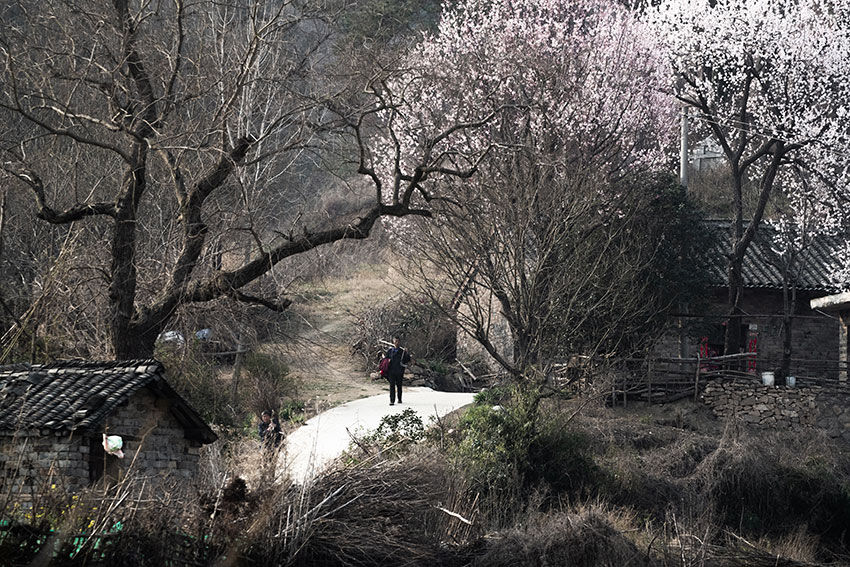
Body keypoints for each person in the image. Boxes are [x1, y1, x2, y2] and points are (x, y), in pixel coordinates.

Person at [383, 337, 412, 406]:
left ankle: (399, 398)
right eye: (395, 341)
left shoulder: (402, 351)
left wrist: (407, 353)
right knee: (392, 385)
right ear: (393, 342)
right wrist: (387, 361)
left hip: (399, 371)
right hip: (391, 371)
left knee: (399, 385)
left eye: (398, 341)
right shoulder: (390, 351)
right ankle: (392, 400)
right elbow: (385, 359)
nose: (397, 343)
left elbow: (407, 360)